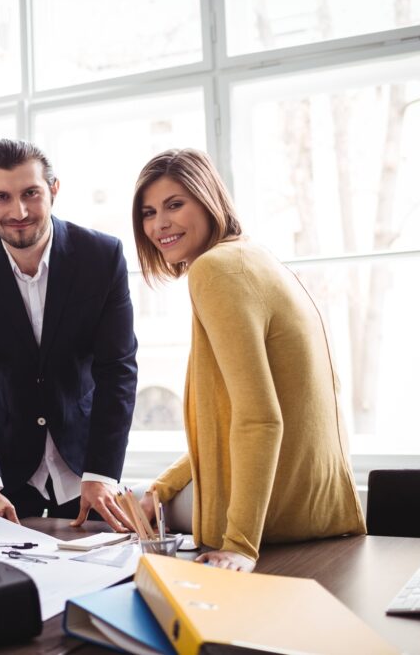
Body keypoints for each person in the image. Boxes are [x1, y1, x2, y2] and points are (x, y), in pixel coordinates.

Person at [131, 148, 366, 571]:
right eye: (148, 212)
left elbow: (260, 418)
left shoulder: (215, 270)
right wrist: (163, 488)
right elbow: (228, 424)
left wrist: (239, 545)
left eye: (174, 205)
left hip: (273, 523)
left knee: (118, 526)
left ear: (208, 200)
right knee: (137, 501)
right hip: (316, 513)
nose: (159, 224)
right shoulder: (257, 258)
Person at [0, 139, 138, 530]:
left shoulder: (102, 257)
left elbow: (117, 371)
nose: (19, 211)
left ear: (54, 190)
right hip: (4, 473)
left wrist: (101, 473)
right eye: (1, 197)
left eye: (31, 193)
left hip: (87, 469)